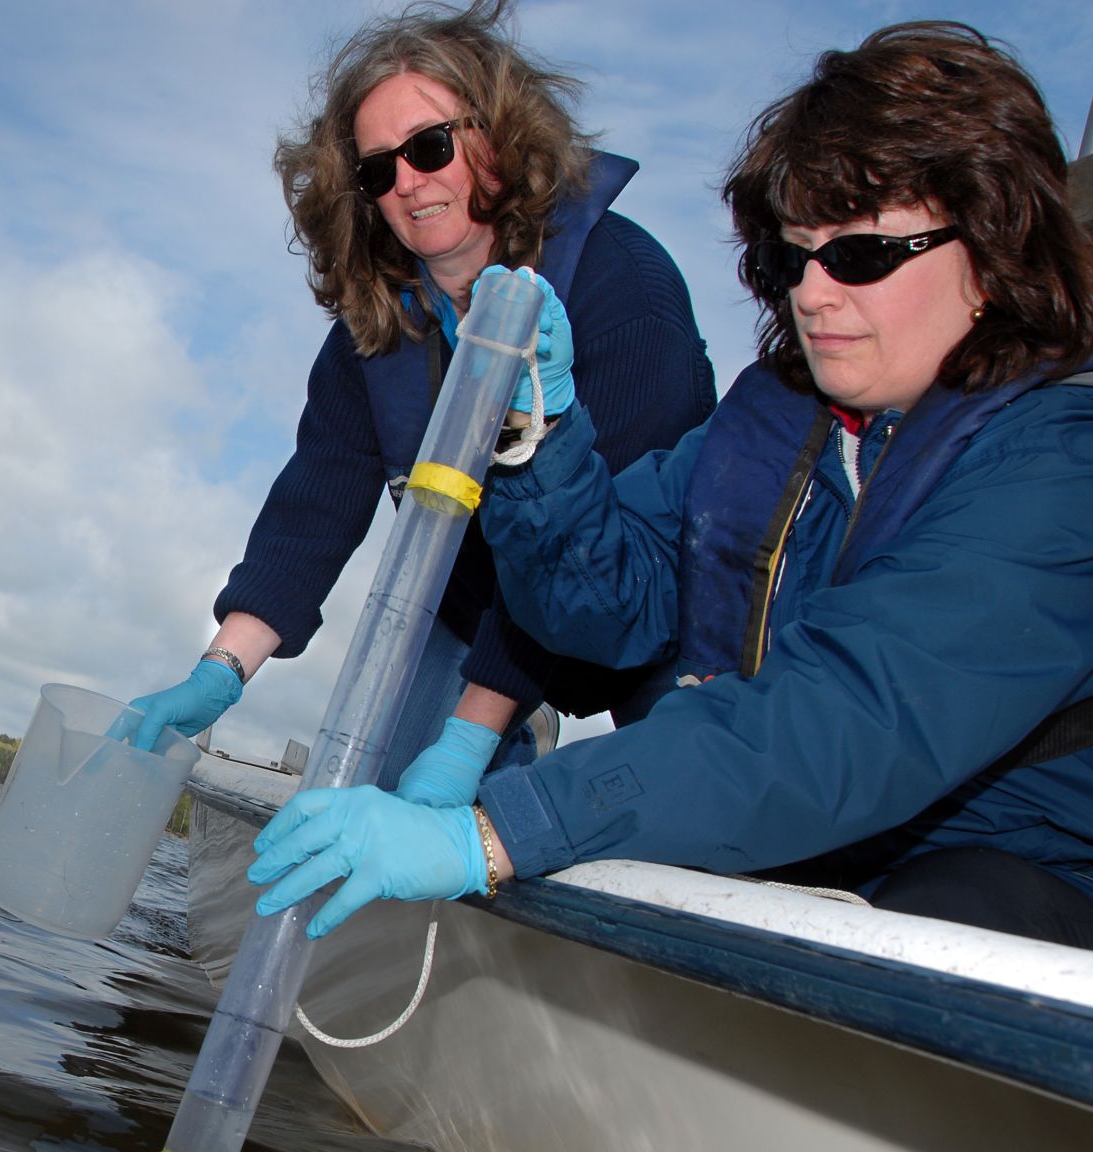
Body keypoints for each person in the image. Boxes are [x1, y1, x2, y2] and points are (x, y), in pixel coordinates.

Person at [249, 22, 1093, 956]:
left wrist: (495, 831)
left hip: (1038, 882)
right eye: (796, 257)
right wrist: (535, 445)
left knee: (954, 906)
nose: (815, 295)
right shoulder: (775, 419)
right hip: (807, 848)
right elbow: (599, 609)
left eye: (863, 255)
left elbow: (848, 723)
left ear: (994, 250)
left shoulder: (1075, 463)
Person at [127, 1, 715, 802]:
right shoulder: (376, 325)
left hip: (655, 606)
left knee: (682, 803)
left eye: (430, 146)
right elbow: (316, 504)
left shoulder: (627, 290)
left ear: (498, 136)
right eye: (378, 170)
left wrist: (471, 733)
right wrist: (220, 670)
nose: (408, 182)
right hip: (477, 613)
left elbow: (596, 549)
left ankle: (517, 736)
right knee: (383, 789)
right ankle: (501, 740)